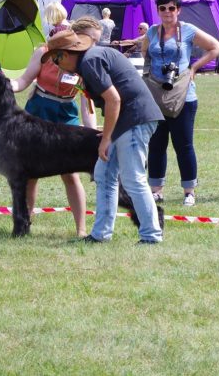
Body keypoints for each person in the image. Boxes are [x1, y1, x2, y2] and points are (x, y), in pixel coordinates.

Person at [42, 29, 165, 244]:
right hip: (125, 121)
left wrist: (106, 138)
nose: (54, 63)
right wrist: (110, 131)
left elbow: (114, 100)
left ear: (66, 54)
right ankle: (100, 235)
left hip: (135, 118)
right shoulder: (90, 59)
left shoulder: (90, 61)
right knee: (104, 175)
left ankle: (151, 236)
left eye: (55, 57)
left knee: (133, 179)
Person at [8, 3, 95, 237]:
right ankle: (26, 224)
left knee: (70, 173)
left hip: (66, 114)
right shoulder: (42, 52)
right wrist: (6, 84)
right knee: (30, 173)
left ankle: (81, 230)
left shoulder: (83, 62)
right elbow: (24, 80)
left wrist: (92, 133)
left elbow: (88, 103)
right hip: (38, 109)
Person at [142, 0, 219, 207]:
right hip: (156, 96)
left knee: (183, 145)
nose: (167, 12)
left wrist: (194, 68)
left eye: (171, 8)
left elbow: (217, 47)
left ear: (178, 9)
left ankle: (189, 191)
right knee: (156, 144)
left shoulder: (187, 30)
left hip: (184, 97)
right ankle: (156, 190)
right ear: (158, 10)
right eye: (162, 8)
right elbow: (145, 54)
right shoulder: (151, 32)